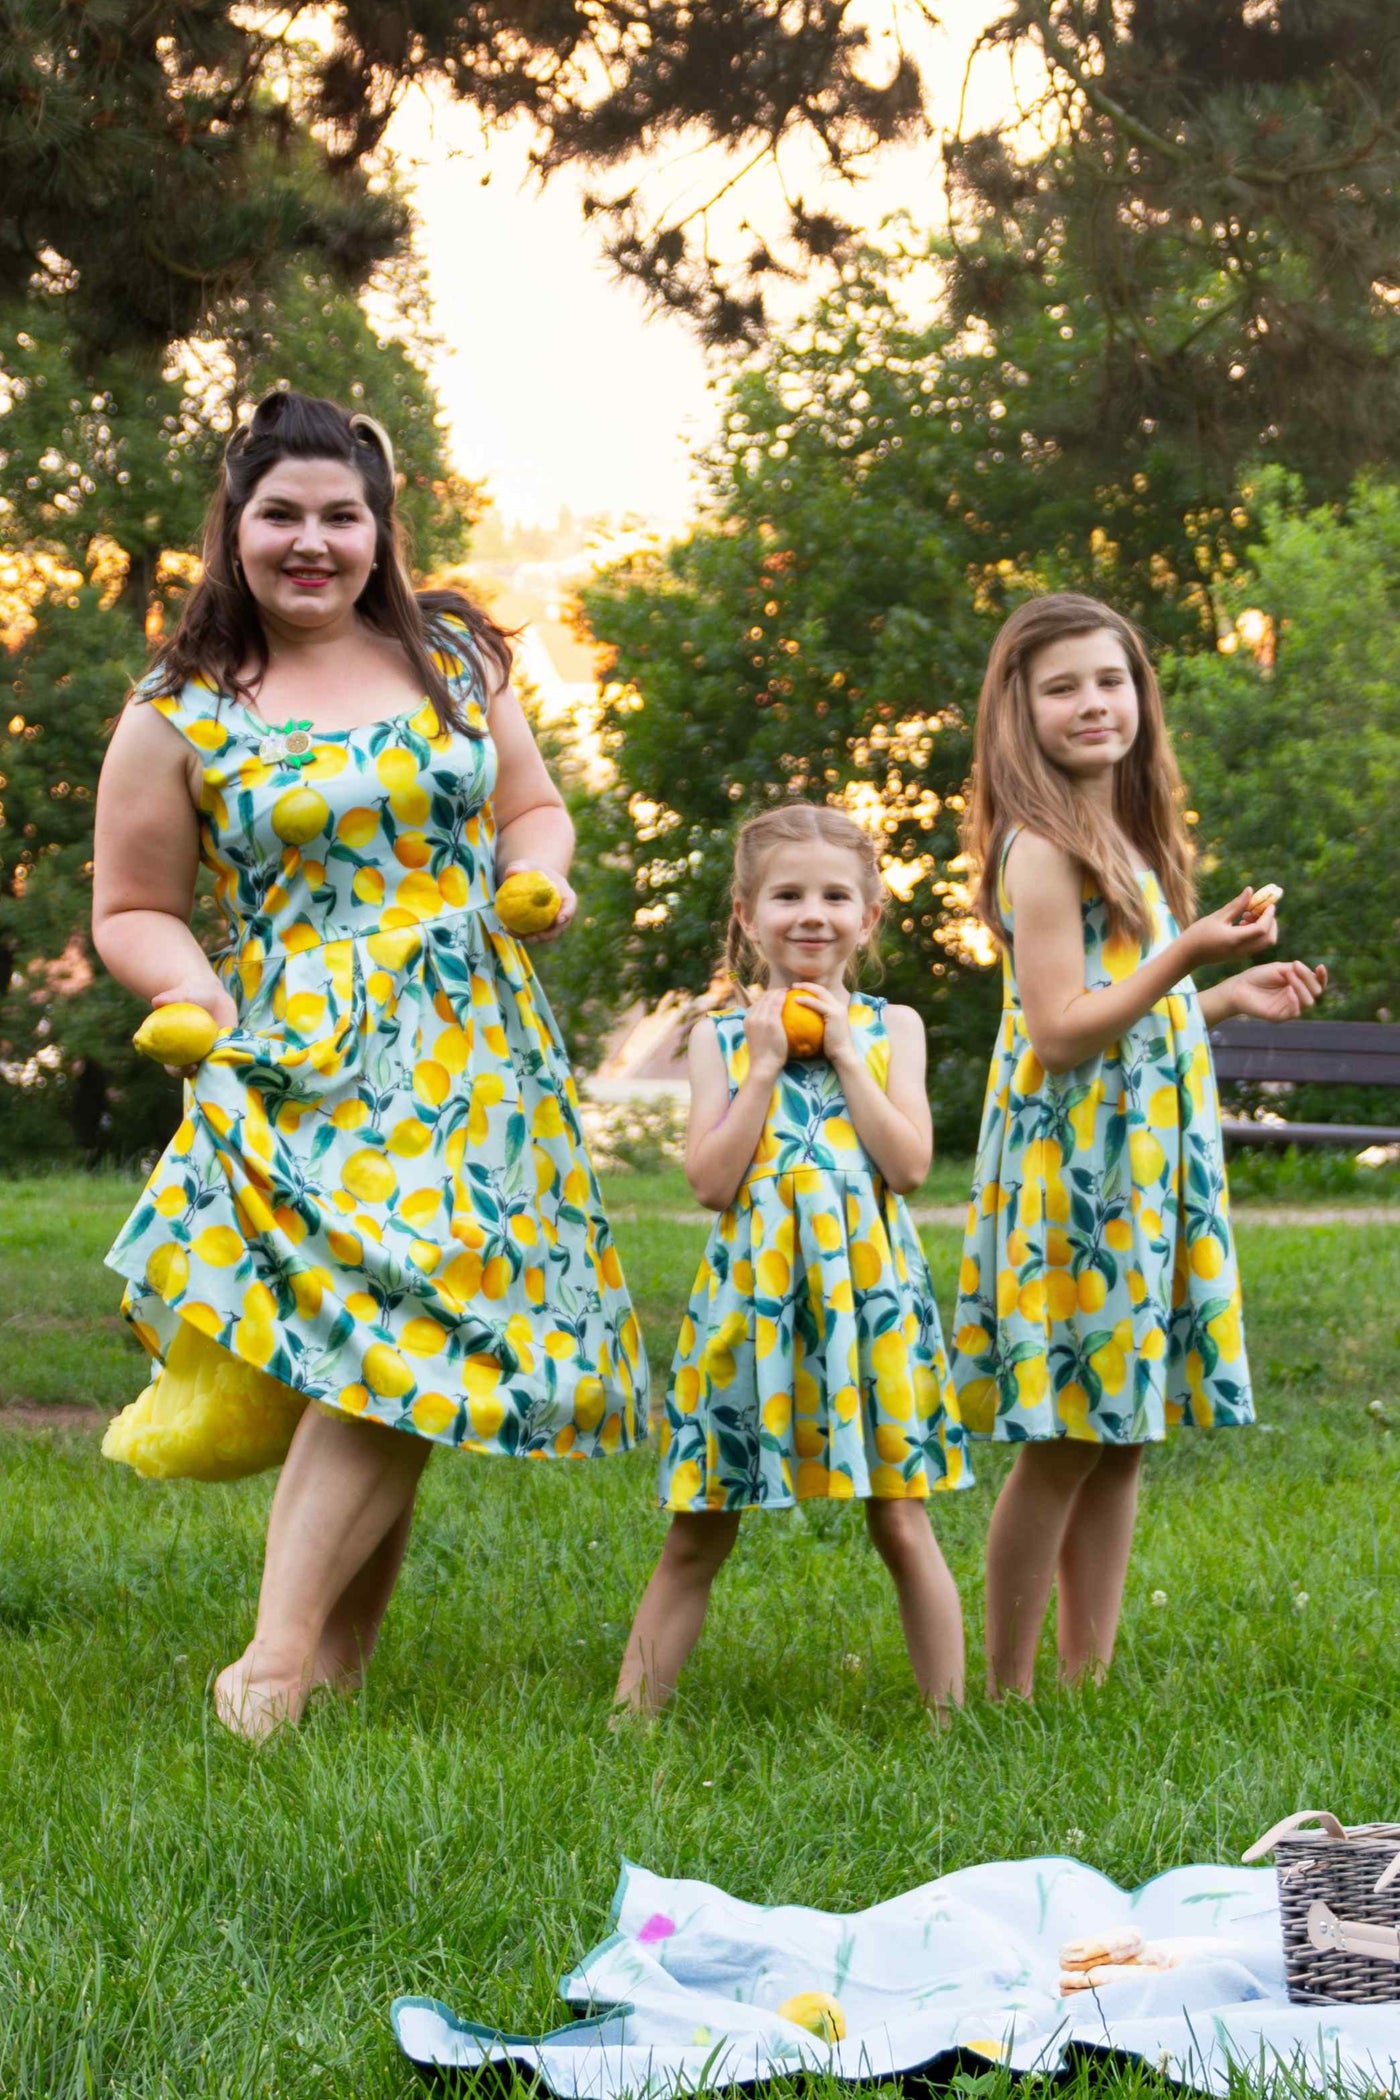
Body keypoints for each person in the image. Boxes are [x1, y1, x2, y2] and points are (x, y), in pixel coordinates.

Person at [93, 390, 647, 1739]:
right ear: (234, 531)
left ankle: (324, 1675)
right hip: (301, 1055)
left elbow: (535, 809)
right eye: (280, 515)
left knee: (413, 1346)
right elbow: (130, 907)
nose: (312, 542)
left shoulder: (455, 659)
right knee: (382, 1345)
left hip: (474, 1057)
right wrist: (190, 997)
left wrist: (539, 881)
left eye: (341, 516)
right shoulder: (181, 709)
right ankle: (272, 1672)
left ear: (381, 528)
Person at [951, 592, 1326, 1699]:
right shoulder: (1039, 849)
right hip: (1077, 1179)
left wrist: (1218, 998)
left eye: (1108, 681)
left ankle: (1084, 1681)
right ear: (1017, 710)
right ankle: (1007, 1691)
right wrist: (1186, 958)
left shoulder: (1121, 833)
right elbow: (1061, 1030)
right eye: (1060, 686)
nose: (1090, 704)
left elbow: (1119, 1018)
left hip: (1140, 1167)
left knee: (1122, 1431)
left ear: (1138, 697)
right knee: (1066, 1433)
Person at [614, 804, 970, 1718]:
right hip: (755, 1306)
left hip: (870, 1306)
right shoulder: (717, 1039)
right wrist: (764, 1065)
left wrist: (847, 1052)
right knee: (700, 1529)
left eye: (834, 896)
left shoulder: (897, 1030)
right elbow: (709, 1181)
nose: (811, 914)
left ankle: (953, 1725)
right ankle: (627, 1727)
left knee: (899, 1514)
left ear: (870, 915)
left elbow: (911, 1166)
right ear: (746, 914)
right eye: (787, 895)